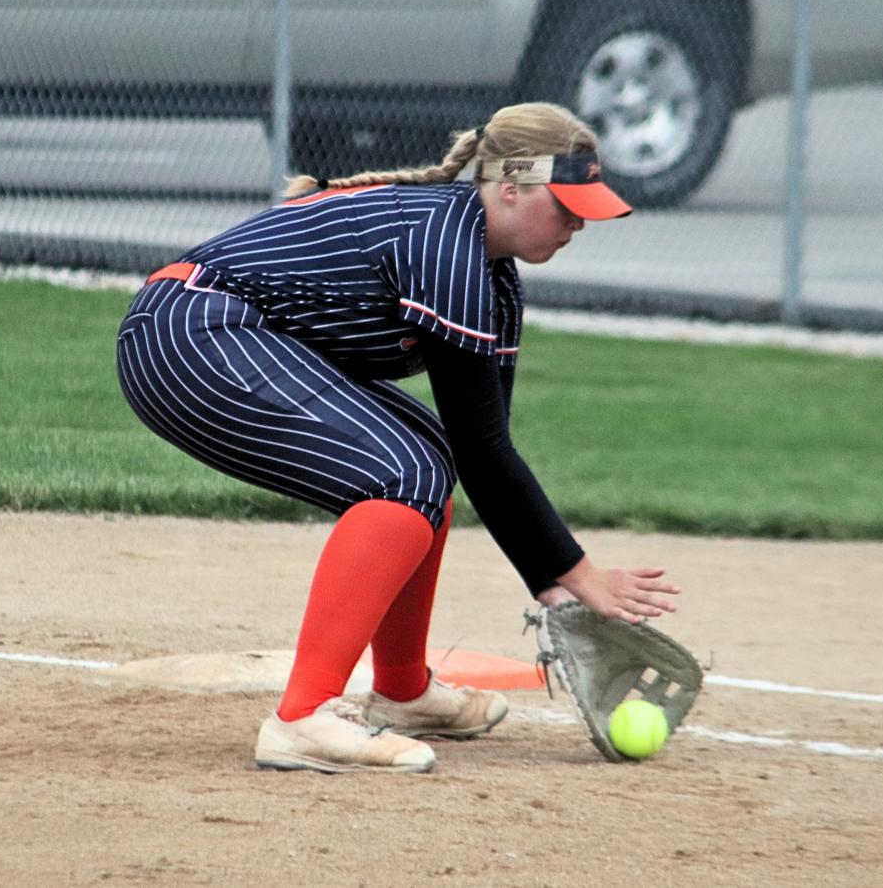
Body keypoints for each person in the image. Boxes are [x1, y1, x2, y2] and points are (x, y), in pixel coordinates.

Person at [116, 102, 680, 774]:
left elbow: (480, 447)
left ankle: (402, 687)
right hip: (186, 335)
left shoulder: (491, 279)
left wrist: (551, 582)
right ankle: (303, 718)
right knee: (401, 472)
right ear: (509, 186)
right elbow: (488, 454)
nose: (578, 223)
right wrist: (580, 572)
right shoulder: (444, 241)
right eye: (565, 205)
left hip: (226, 334)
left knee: (427, 458)